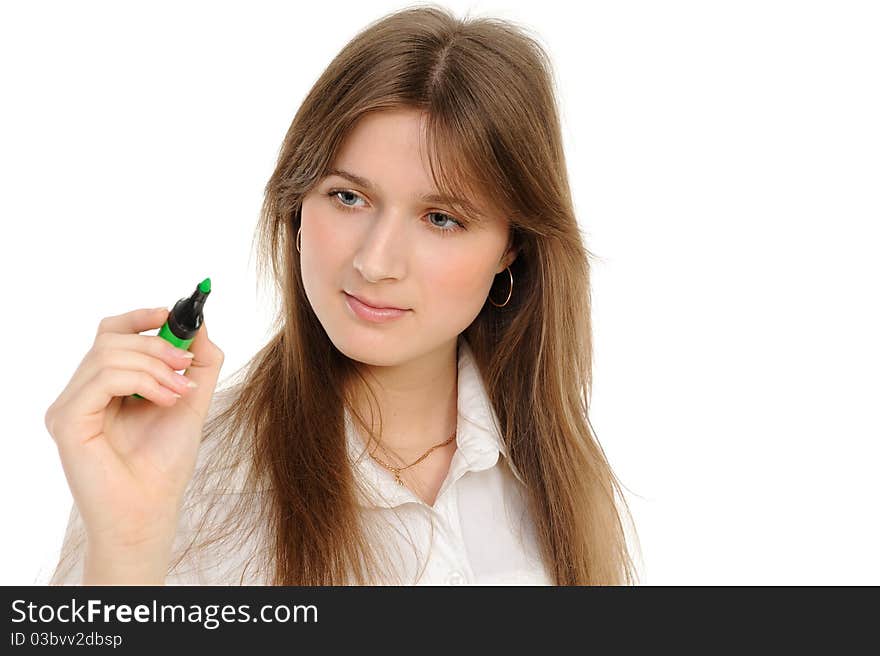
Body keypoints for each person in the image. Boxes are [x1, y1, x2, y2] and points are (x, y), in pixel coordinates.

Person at [45, 5, 641, 586]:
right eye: (348, 198)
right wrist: (128, 548)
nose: (375, 262)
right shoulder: (182, 471)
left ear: (513, 248)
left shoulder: (556, 479)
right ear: (297, 203)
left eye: (441, 219)